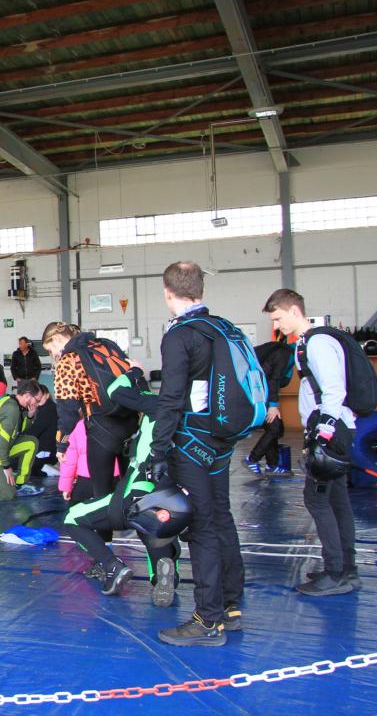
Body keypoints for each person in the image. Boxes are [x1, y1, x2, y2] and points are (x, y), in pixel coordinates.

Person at [150, 261, 246, 647]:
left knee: (202, 527)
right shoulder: (221, 328)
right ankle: (230, 606)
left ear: (167, 292)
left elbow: (171, 397)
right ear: (200, 290)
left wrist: (158, 450)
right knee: (221, 517)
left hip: (191, 442)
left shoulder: (180, 335)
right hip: (220, 439)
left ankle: (207, 619)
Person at [262, 289, 360, 596]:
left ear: (294, 310)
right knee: (337, 499)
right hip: (332, 428)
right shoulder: (307, 344)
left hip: (330, 430)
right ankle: (345, 568)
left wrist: (323, 433)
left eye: (278, 318)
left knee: (316, 499)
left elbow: (334, 390)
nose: (277, 326)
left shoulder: (317, 344)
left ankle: (336, 572)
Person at [63, 368, 182, 604]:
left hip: (137, 493)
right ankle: (162, 575)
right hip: (170, 498)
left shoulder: (157, 405)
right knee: (154, 531)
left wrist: (134, 372)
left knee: (73, 518)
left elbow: (115, 390)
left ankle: (111, 566)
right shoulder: (193, 415)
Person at [42, 322, 137, 542]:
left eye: (50, 349)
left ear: (56, 339)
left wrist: (61, 444)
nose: (53, 355)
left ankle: (105, 550)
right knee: (131, 488)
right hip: (130, 424)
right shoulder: (106, 345)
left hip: (102, 428)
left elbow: (67, 410)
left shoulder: (68, 360)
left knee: (101, 495)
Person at [245, 335, 295, 475]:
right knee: (275, 428)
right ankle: (252, 459)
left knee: (274, 428)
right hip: (263, 394)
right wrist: (273, 405)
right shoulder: (285, 354)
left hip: (260, 393)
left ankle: (272, 465)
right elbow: (274, 379)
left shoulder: (282, 351)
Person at [23, 383, 59, 481]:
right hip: (47, 450)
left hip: (45, 452)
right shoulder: (46, 408)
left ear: (47, 395)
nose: (37, 400)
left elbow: (34, 431)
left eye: (40, 397)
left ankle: (45, 469)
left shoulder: (48, 409)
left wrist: (20, 436)